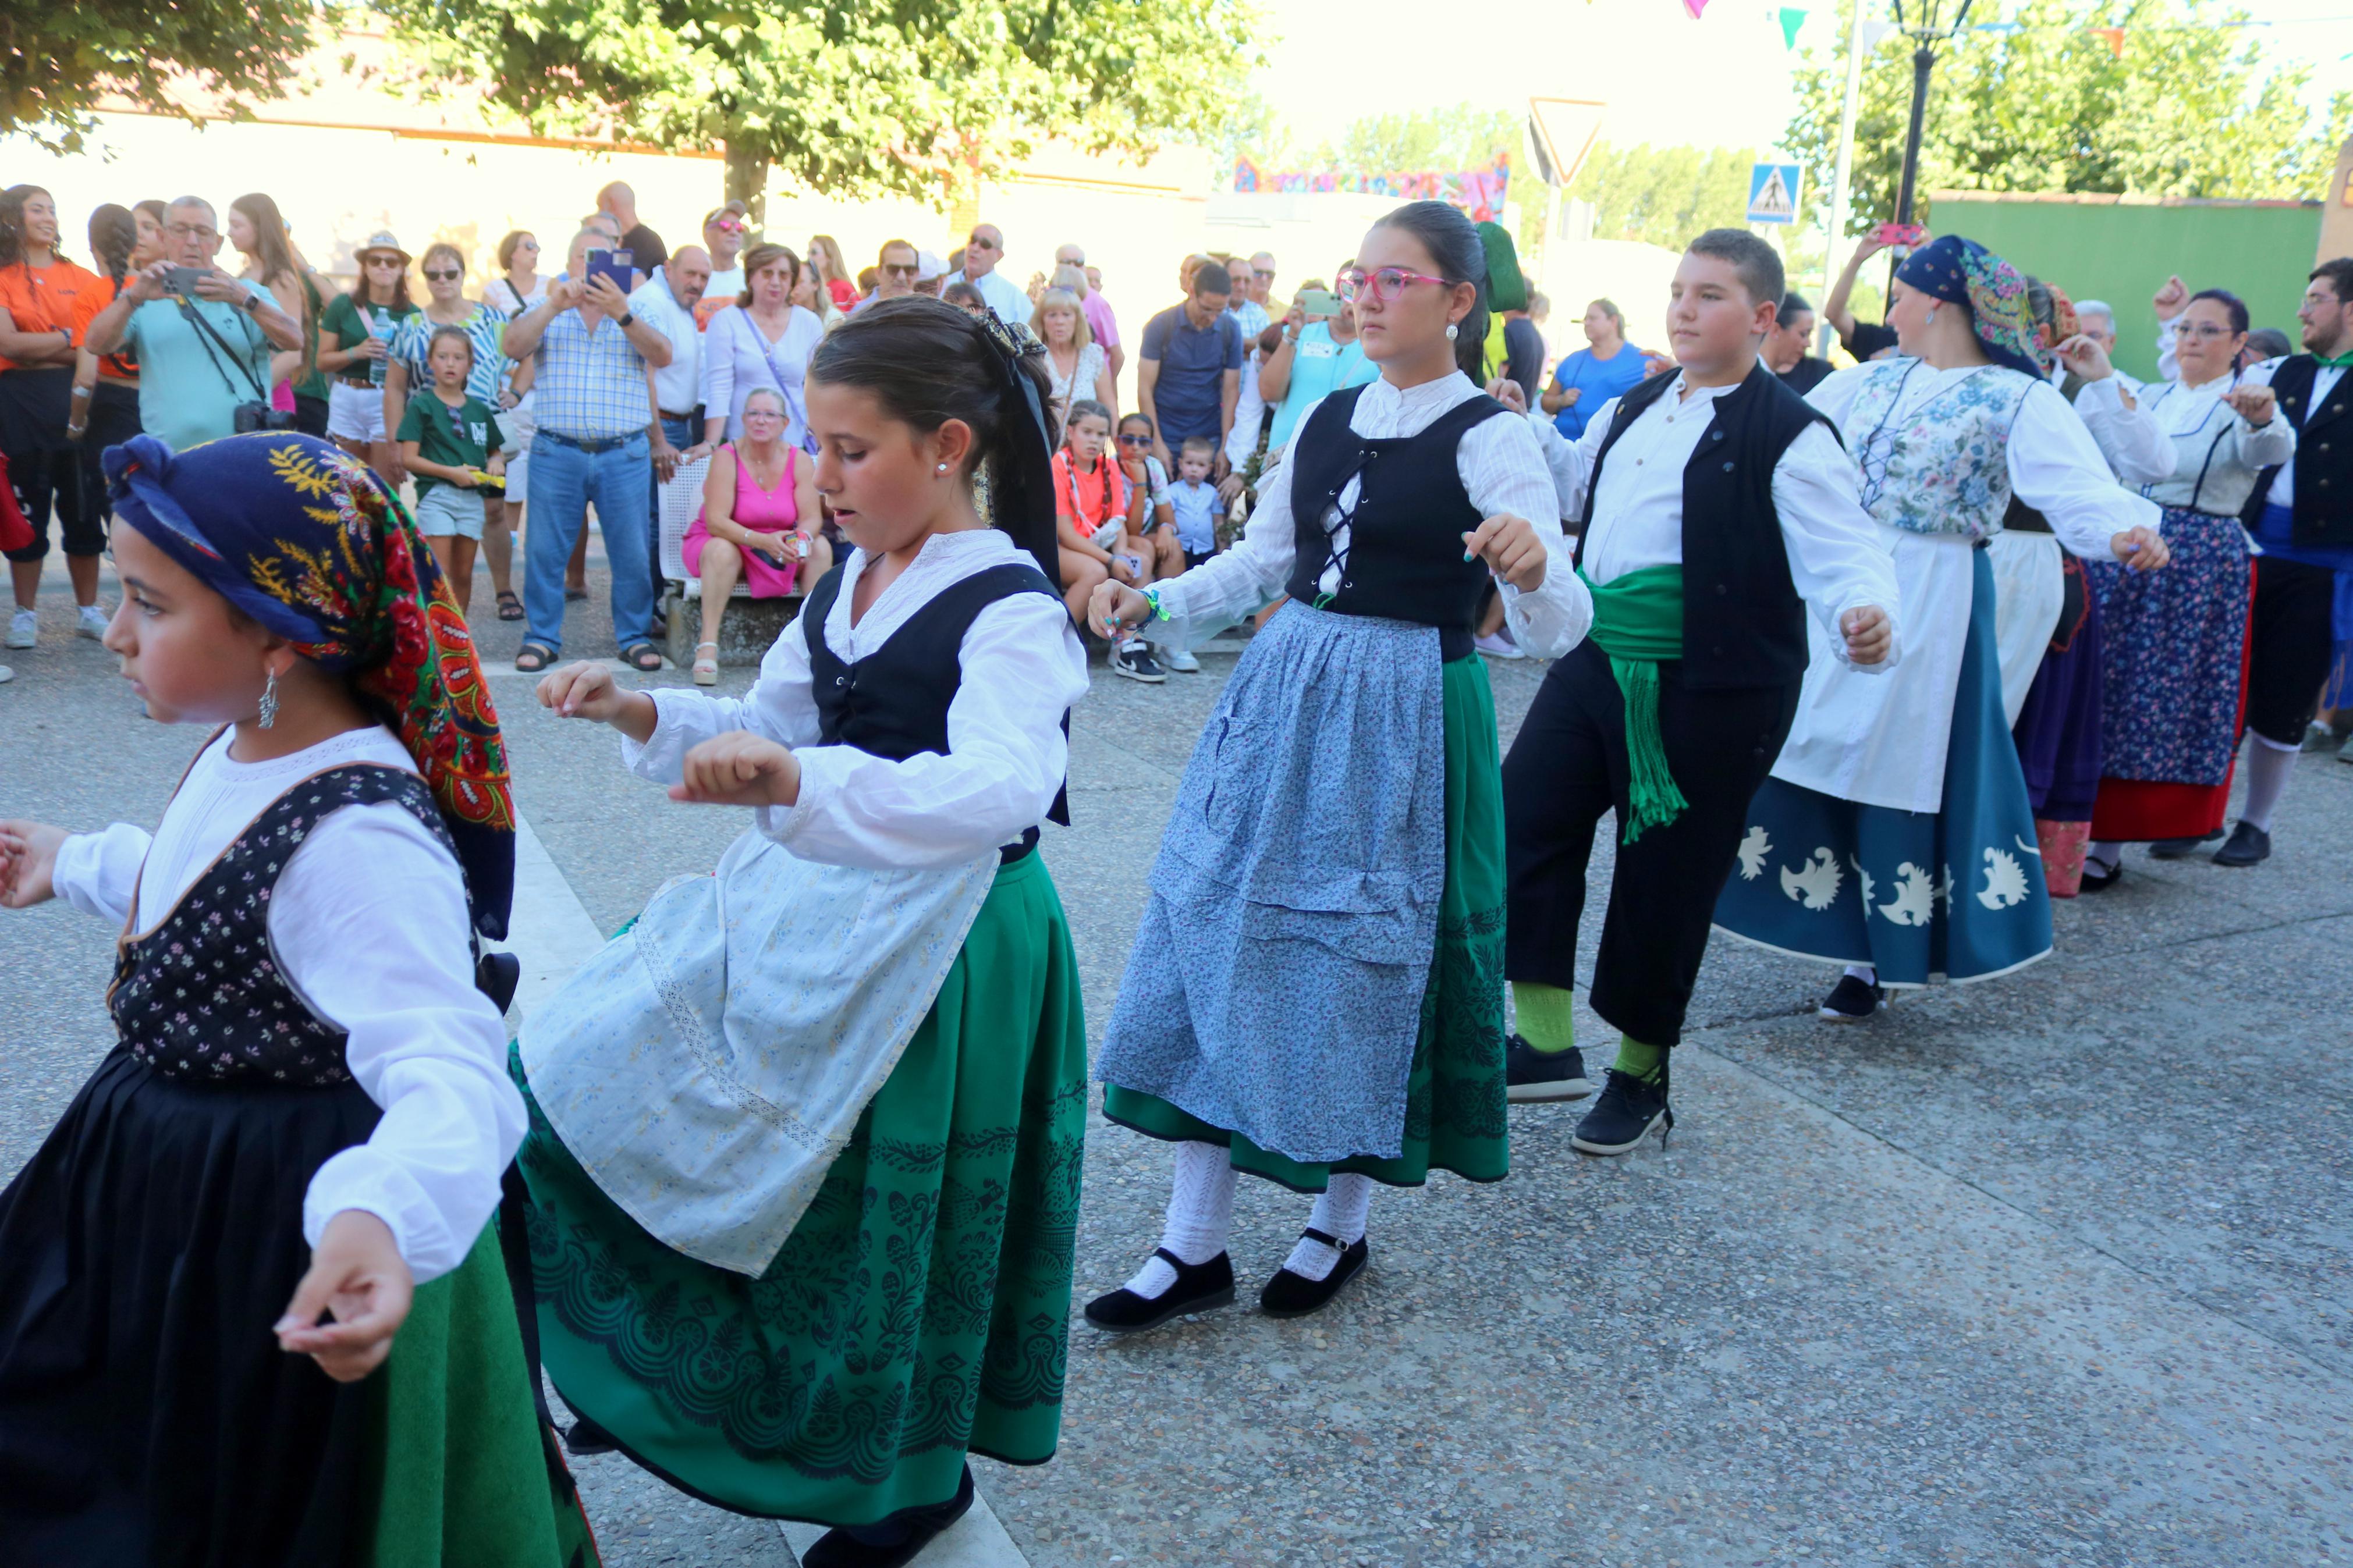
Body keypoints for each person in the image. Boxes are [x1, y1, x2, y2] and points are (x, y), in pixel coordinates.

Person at [512, 296, 1088, 1563]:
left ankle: (908, 1487)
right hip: (832, 910)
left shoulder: (1006, 607)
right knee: (573, 1077)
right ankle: (667, 1372)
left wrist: (796, 787)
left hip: (947, 941)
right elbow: (772, 721)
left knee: (887, 1223)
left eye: (848, 449)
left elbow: (1004, 783)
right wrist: (639, 714)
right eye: (816, 446)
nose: (821, 478)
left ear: (945, 446)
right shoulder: (855, 580)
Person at [0, 430, 588, 1566]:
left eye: (148, 605)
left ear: (275, 631)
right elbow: (209, 886)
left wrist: (378, 1213)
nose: (115, 635)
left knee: (230, 1495)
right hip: (166, 1192)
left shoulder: (363, 835)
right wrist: (70, 861)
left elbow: (447, 1062)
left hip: (273, 1220)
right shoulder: (247, 744)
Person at [1084, 201, 1587, 1331]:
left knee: (1365, 952)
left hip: (1407, 701)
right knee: (1219, 926)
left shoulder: (1492, 437)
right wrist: (1153, 597)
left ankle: (1336, 1226)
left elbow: (1559, 623)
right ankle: (1190, 1244)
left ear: (1458, 302)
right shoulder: (1321, 413)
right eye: (1356, 277)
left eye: (1393, 280)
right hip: (1287, 688)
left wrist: (1528, 567)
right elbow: (1266, 561)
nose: (1362, 296)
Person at [1494, 230, 1900, 1146]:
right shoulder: (1638, 401)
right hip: (1597, 655)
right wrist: (1521, 423)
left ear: (1760, 318)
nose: (1682, 308)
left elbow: (1849, 554)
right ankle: (1545, 1044)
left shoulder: (1790, 434)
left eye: (1708, 295)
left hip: (1713, 687)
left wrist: (1866, 615)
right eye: (1677, 290)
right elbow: (1575, 480)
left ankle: (1640, 1073)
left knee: (1663, 877)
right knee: (1523, 820)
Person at [1713, 234, 2164, 1023]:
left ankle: (1871, 957)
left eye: (1901, 291)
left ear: (1937, 302)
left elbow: (2075, 484)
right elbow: (1778, 433)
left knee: (1897, 758)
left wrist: (2122, 530)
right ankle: (1791, 910)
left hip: (1933, 583)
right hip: (1847, 577)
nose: (1889, 306)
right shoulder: (1872, 379)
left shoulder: (2012, 397)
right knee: (1813, 736)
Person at [2075, 285, 2293, 888]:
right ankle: (2074, 827)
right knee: (2103, 686)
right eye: (2184, 330)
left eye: (2206, 331)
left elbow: (2271, 448)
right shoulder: (2152, 395)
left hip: (2193, 563)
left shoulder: (2243, 402)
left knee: (2149, 698)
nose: (2192, 340)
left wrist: (2264, 416)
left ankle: (2108, 845)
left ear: (2238, 342)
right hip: (2128, 547)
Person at [2212, 258, 2352, 863]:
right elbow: (2205, 389)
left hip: (2321, 565)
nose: (2301, 310)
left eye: (2315, 299)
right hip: (2248, 550)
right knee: (2223, 686)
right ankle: (2197, 813)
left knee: (2284, 693)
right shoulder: (2277, 369)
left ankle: (2255, 823)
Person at [501, 226, 676, 673]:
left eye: (603, 258)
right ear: (571, 262)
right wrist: (552, 305)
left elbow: (662, 357)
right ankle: (541, 636)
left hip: (624, 452)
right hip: (557, 451)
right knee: (543, 549)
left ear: (618, 265)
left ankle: (633, 636)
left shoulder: (636, 308)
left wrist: (623, 315)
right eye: (584, 257)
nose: (591, 265)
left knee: (631, 550)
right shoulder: (548, 307)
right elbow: (512, 346)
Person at [77, 196, 302, 454]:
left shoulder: (249, 293)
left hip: (243, 452)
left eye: (203, 232)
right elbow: (95, 344)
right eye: (181, 230)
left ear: (217, 243)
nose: (192, 242)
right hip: (170, 458)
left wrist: (244, 300)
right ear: (163, 237)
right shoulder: (143, 296)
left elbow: (294, 341)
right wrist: (133, 298)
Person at [0, 184, 108, 650]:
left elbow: (98, 347)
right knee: (29, 514)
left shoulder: (83, 277)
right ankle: (26, 614)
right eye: (37, 209)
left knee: (83, 513)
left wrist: (42, 346)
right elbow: (7, 345)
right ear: (14, 219)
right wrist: (70, 339)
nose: (48, 217)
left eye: (52, 209)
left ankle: (89, 611)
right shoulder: (2, 276)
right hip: (20, 409)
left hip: (79, 409)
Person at [681, 385, 827, 684]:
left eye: (770, 415)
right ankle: (707, 647)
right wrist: (762, 541)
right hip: (727, 540)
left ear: (785, 424)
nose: (761, 421)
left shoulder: (798, 459)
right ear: (744, 420)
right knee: (722, 549)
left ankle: (813, 646)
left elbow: (812, 518)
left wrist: (800, 539)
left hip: (777, 543)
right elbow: (716, 522)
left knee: (821, 547)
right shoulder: (727, 455)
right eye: (754, 414)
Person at [395, 325, 506, 620]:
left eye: (458, 357)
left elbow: (495, 450)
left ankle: (458, 636)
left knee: (464, 573)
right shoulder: (421, 406)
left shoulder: (480, 410)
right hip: (437, 496)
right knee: (440, 573)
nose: (450, 363)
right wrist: (451, 473)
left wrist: (496, 461)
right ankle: (436, 636)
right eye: (442, 356)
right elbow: (409, 458)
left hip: (473, 500)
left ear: (470, 364)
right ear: (430, 362)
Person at [633, 244, 712, 607]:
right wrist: (659, 440)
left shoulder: (677, 303)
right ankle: (644, 612)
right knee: (653, 525)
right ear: (668, 268)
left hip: (677, 426)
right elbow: (644, 376)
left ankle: (652, 608)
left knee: (664, 521)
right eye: (690, 274)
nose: (696, 283)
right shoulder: (653, 302)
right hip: (659, 428)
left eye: (704, 278)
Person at [314, 230, 419, 484]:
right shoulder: (343, 305)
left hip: (388, 399)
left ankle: (387, 527)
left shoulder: (414, 315)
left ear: (401, 269)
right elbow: (321, 362)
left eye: (391, 262)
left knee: (385, 485)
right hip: (346, 395)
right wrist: (356, 352)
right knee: (353, 484)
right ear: (365, 267)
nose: (383, 266)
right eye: (375, 261)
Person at [384, 241, 509, 453]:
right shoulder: (412, 327)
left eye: (450, 274)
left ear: (462, 274)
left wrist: (516, 392)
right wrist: (395, 442)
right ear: (426, 279)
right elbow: (394, 388)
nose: (442, 279)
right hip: (432, 441)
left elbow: (527, 353)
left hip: (485, 439)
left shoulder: (493, 320)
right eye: (433, 275)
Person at [702, 243, 822, 454]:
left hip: (793, 441)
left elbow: (819, 385)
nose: (775, 282)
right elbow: (719, 387)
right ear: (750, 278)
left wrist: (821, 435)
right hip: (743, 441)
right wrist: (711, 443)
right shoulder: (727, 320)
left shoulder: (809, 323)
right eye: (767, 273)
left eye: (784, 275)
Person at [1137, 261, 1243, 485]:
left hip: (1210, 435)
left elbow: (1231, 390)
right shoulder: (1161, 325)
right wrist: (1156, 442)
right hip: (1167, 431)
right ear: (1192, 291)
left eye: (1220, 310)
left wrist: (1226, 445)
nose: (1213, 317)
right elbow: (1145, 388)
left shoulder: (1231, 329)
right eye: (1207, 309)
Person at [226, 193, 323, 434]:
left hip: (269, 400)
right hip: (240, 400)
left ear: (260, 228)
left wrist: (252, 393)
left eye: (237, 225)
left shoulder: (281, 279)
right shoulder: (241, 277)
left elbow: (293, 355)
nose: (229, 233)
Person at [65, 205, 150, 463]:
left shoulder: (89, 297)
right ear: (135, 244)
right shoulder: (160, 289)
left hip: (113, 410)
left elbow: (86, 380)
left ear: (93, 247)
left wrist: (77, 423)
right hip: (162, 403)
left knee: (113, 498)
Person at [1259, 284, 1379, 457]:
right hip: (1287, 453)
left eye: (1355, 294)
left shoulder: (1379, 344)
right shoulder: (1300, 333)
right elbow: (1269, 393)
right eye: (1343, 292)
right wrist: (1293, 334)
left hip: (1345, 457)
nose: (1347, 301)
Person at [1541, 298, 1648, 442]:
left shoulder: (1642, 360)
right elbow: (1546, 401)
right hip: (1562, 448)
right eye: (1586, 319)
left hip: (1607, 450)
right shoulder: (1572, 360)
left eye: (1593, 318)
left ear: (1613, 321)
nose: (1587, 323)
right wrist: (1561, 400)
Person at [1034, 283, 1115, 426]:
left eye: (1067, 315)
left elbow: (1110, 408)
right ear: (1042, 321)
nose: (1060, 322)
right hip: (1042, 447)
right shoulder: (1034, 358)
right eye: (1052, 315)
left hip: (1083, 448)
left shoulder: (1093, 355)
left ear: (1078, 320)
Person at [1055, 241, 1124, 389]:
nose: (1072, 267)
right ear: (1056, 265)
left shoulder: (1098, 302)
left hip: (1090, 390)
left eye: (1079, 263)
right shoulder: (1045, 299)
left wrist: (1105, 388)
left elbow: (1117, 355)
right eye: (1066, 262)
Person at [1823, 231, 1901, 361]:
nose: (1890, 318)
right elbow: (1834, 314)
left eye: (1900, 299)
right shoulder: (1881, 340)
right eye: (1897, 300)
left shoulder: (1942, 351)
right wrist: (1858, 258)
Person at [946, 222, 1030, 325]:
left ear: (999, 256)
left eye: (985, 245)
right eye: (973, 241)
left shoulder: (1014, 297)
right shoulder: (944, 285)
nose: (975, 248)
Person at [594, 179, 666, 278]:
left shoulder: (645, 242)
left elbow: (624, 282)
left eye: (600, 206)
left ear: (612, 204)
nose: (598, 213)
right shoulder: (643, 240)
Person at [1765, 290, 1833, 393]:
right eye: (1803, 334)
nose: (1808, 344)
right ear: (1776, 330)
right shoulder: (1743, 375)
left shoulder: (1821, 373)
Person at [701, 201, 750, 309]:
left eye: (738, 227)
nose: (734, 232)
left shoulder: (751, 281)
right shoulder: (692, 279)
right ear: (706, 235)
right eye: (725, 226)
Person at [807, 233, 857, 311]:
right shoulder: (812, 287)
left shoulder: (842, 288)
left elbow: (840, 321)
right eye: (808, 253)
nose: (809, 257)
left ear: (829, 257)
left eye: (814, 252)